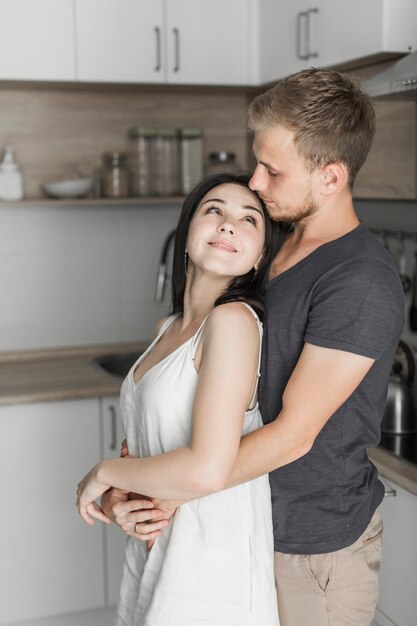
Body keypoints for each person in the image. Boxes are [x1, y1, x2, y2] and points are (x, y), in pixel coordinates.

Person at [114, 68, 405, 626]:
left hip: (311, 548)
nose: (256, 183)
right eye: (257, 162)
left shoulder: (360, 279)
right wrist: (145, 480)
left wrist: (171, 488)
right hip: (237, 523)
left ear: (330, 177)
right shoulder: (272, 246)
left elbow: (293, 436)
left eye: (273, 170)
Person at [76, 172, 282, 625]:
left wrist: (104, 471)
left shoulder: (233, 322)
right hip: (158, 558)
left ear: (258, 257)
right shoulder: (166, 331)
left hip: (210, 571)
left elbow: (207, 469)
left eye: (249, 220)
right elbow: (151, 451)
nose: (229, 224)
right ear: (187, 235)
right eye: (214, 211)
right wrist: (119, 499)